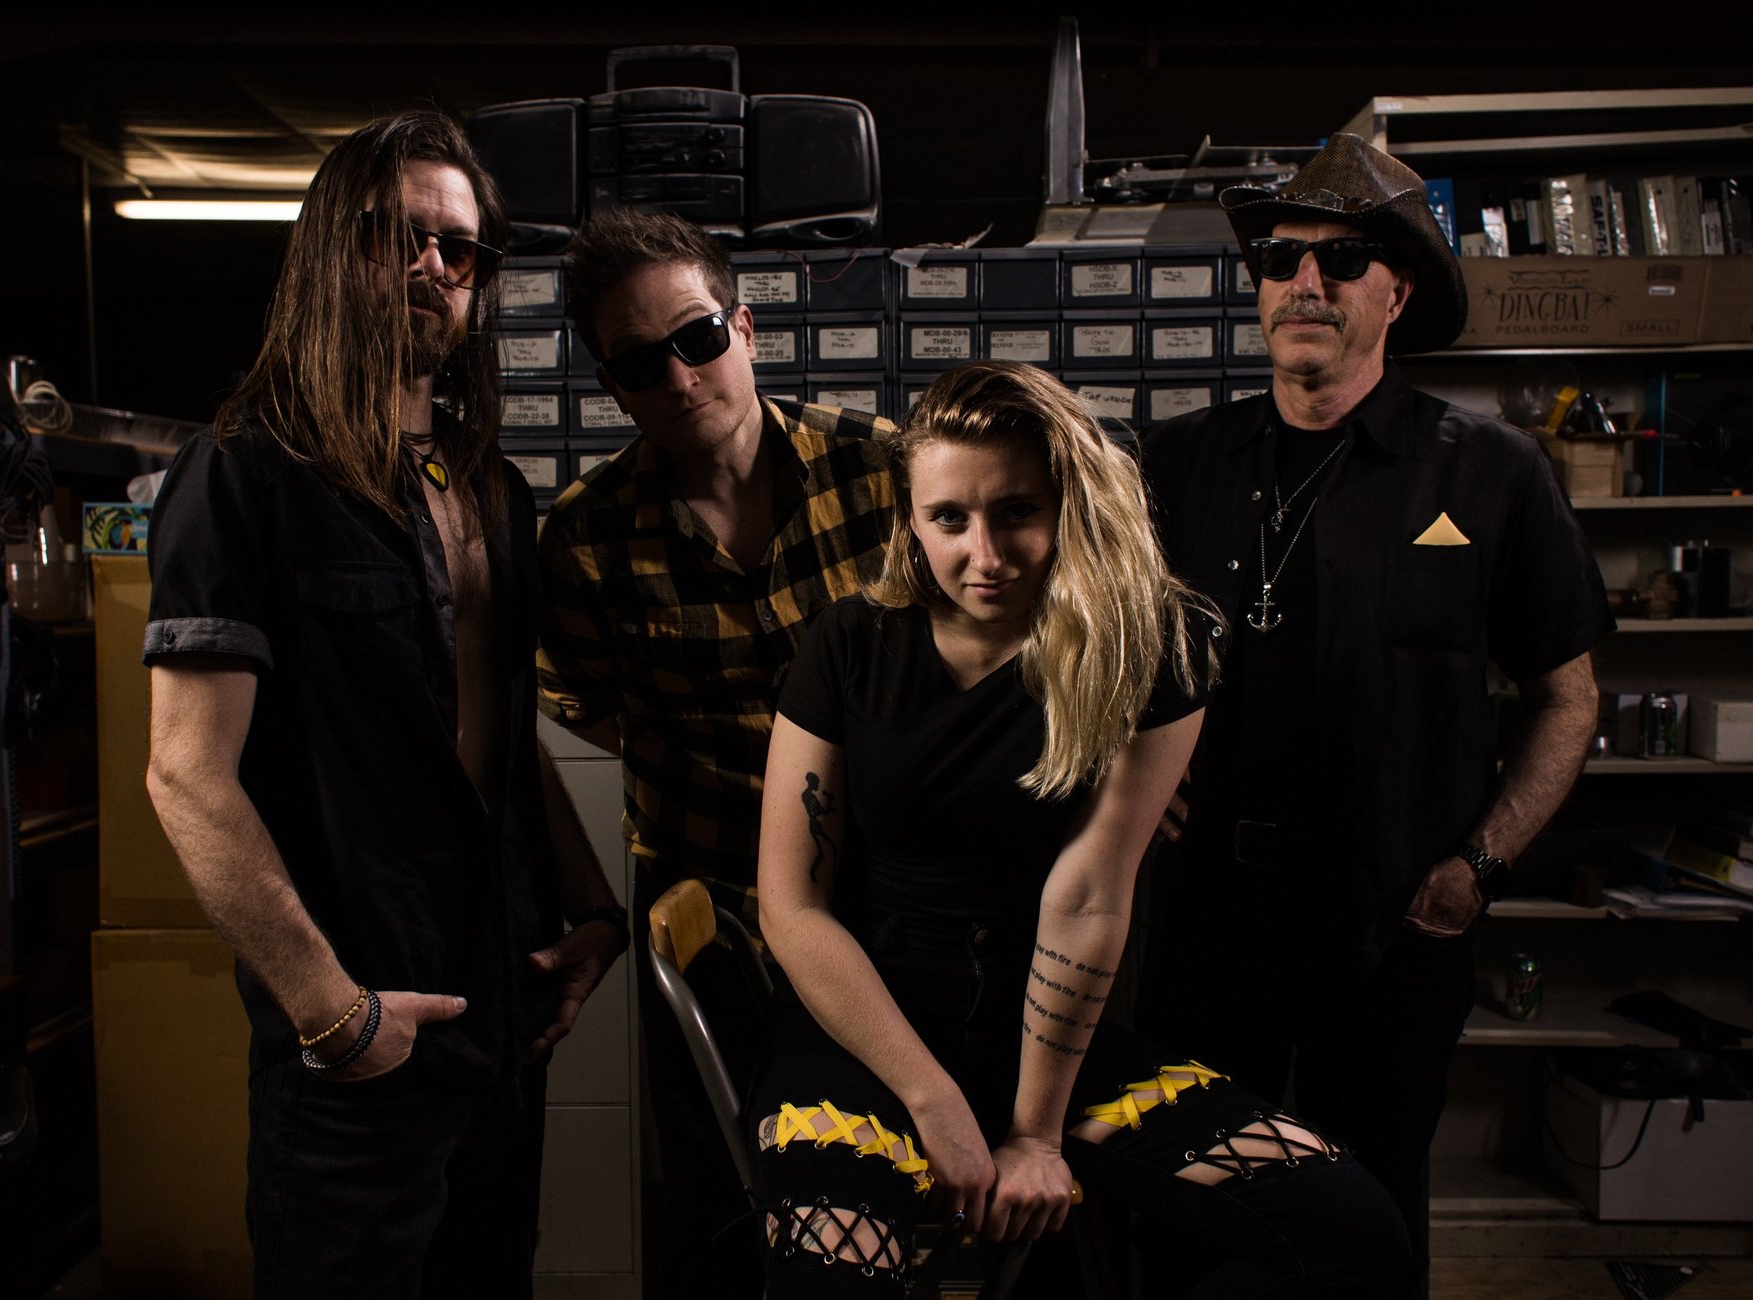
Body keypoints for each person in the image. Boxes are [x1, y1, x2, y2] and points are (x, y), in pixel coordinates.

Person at [750, 361, 1411, 1297]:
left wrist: (1033, 1133)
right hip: (864, 1032)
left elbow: (1091, 893)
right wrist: (932, 1100)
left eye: (1018, 511)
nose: (985, 554)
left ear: (1073, 505)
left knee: (1356, 1232)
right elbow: (791, 905)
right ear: (911, 519)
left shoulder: (1154, 645)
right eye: (949, 519)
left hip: (1054, 1041)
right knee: (833, 1286)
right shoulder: (851, 641)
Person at [143, 110, 627, 1299]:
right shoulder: (246, 471)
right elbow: (185, 774)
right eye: (393, 235)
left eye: (456, 249)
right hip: (358, 1040)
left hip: (501, 1015)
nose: (429, 266)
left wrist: (591, 909)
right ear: (327, 251)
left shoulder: (492, 491)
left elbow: (497, 739)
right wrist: (331, 1012)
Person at [1135, 133, 1611, 1291]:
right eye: (1282, 258)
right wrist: (1126, 782)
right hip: (1209, 925)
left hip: (1395, 926)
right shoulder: (1173, 465)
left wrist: (1481, 866)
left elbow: (1569, 695)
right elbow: (1107, 658)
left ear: (1396, 293)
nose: (1306, 282)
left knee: (1371, 1212)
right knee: (1198, 1205)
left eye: (1343, 259)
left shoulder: (1489, 472)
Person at [536, 208, 895, 1296]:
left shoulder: (885, 470)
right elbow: (583, 705)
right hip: (712, 905)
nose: (681, 378)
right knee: (720, 1206)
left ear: (744, 329)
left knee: (892, 1179)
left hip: (892, 900)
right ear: (612, 384)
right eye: (641, 363)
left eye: (697, 339)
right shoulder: (588, 533)